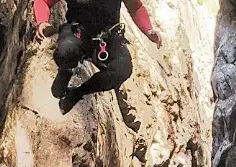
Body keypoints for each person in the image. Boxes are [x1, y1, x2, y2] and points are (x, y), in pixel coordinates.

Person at [33, 0, 163, 114]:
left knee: (122, 70)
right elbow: (44, 1)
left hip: (108, 37)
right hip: (78, 31)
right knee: (66, 50)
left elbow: (136, 8)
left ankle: (76, 93)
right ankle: (65, 72)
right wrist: (42, 22)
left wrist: (149, 31)